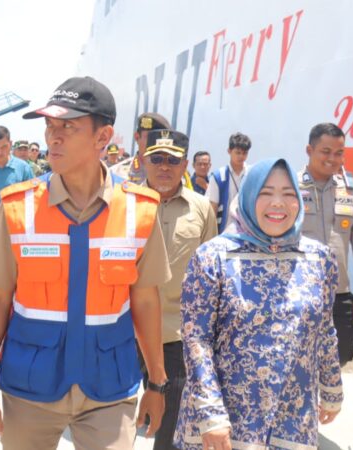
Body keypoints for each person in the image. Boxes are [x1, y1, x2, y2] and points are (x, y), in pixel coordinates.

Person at [0, 76, 170, 450]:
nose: (53, 137)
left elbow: (145, 301)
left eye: (68, 127)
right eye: (50, 126)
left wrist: (156, 383)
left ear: (102, 136)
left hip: (109, 388)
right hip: (30, 389)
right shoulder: (17, 207)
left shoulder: (139, 211)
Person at [175, 158, 342, 450]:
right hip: (225, 423)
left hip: (292, 417)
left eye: (289, 194)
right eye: (266, 193)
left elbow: (324, 327)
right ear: (250, 196)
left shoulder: (319, 259)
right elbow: (196, 339)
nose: (278, 203)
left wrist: (331, 387)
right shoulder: (213, 258)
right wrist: (211, 412)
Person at [141, 129, 217, 450]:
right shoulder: (124, 204)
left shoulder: (201, 209)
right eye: (156, 158)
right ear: (144, 162)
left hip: (176, 335)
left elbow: (211, 274)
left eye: (172, 160)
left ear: (185, 163)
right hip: (122, 332)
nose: (164, 166)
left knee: (169, 429)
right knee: (114, 423)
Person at [298, 123, 353, 366]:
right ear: (309, 150)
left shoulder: (351, 190)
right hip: (298, 294)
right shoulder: (291, 188)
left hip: (338, 295)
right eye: (325, 151)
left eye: (339, 153)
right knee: (298, 362)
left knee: (340, 357)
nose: (332, 159)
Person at [109, 112, 171, 184]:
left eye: (160, 140)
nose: (156, 144)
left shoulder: (174, 177)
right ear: (137, 137)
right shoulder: (115, 174)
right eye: (151, 138)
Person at [207, 132, 252, 233]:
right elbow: (212, 208)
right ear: (229, 151)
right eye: (238, 152)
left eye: (245, 153)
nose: (241, 156)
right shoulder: (218, 176)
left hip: (247, 233)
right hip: (223, 232)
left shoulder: (252, 174)